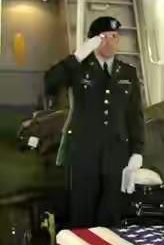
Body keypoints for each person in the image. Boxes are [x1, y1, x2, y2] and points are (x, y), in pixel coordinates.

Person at [44, 16, 144, 229]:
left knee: (111, 216)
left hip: (116, 154)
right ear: (93, 41)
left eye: (114, 37)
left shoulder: (128, 72)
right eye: (104, 37)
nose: (110, 42)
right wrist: (76, 57)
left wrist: (137, 151)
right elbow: (50, 83)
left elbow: (135, 115)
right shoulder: (79, 68)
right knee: (82, 214)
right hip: (84, 153)